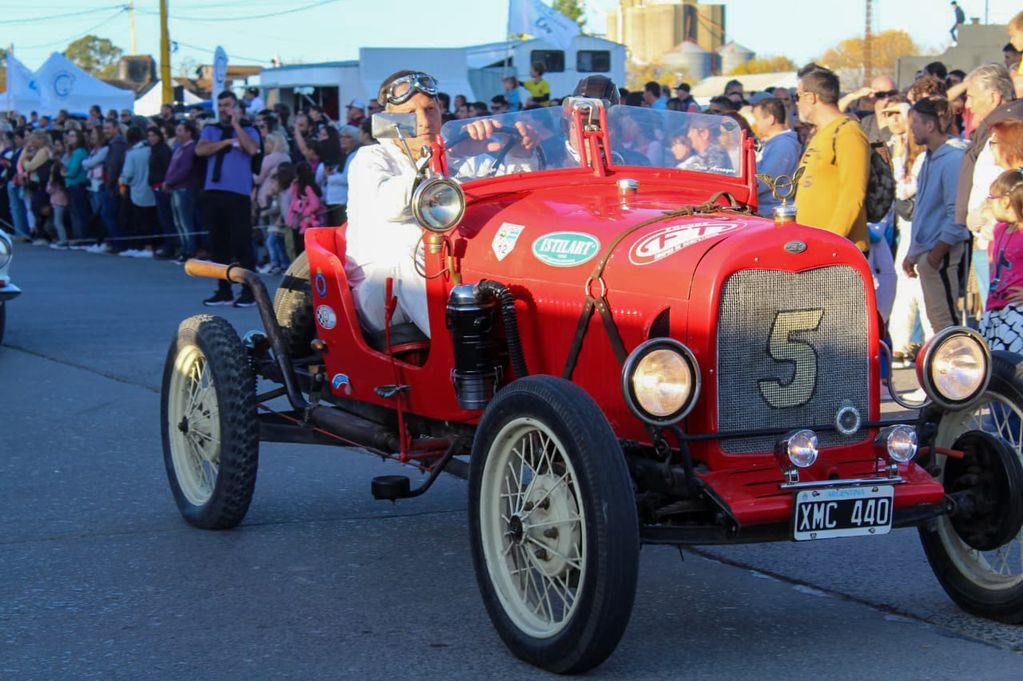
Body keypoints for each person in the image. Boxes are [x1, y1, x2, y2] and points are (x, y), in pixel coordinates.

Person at [956, 64, 1023, 309]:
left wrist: (985, 214)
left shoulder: (1009, 126)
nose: (968, 105)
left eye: (972, 96)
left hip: (1009, 253)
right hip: (992, 242)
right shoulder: (991, 132)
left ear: (994, 97)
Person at [902, 96, 968, 332]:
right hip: (928, 254)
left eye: (916, 122)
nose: (912, 129)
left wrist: (935, 255)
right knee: (938, 323)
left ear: (930, 125)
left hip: (941, 255)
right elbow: (923, 210)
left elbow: (956, 214)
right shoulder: (929, 159)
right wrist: (913, 252)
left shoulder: (952, 159)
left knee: (948, 323)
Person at [793, 63, 871, 252]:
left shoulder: (848, 132)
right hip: (812, 246)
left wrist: (831, 242)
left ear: (811, 97)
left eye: (797, 96)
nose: (796, 103)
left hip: (838, 250)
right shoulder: (819, 133)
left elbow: (853, 194)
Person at [196, 90, 262, 307]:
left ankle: (249, 291)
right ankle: (223, 290)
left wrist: (236, 125)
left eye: (228, 105)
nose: (224, 109)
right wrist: (225, 143)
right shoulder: (211, 129)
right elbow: (201, 151)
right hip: (214, 191)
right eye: (222, 105)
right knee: (218, 243)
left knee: (242, 243)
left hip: (238, 193)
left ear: (237, 107)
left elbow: (252, 148)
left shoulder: (249, 129)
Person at [883, 97, 933, 364]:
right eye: (888, 114)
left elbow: (904, 189)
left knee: (920, 288)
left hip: (920, 226)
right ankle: (903, 345)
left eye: (899, 115)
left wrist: (900, 159)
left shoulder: (925, 155)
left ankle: (928, 346)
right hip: (900, 226)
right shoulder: (894, 147)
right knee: (903, 286)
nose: (894, 120)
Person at [979, 169, 1023, 353]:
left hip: (1017, 313)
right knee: (991, 366)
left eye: (991, 198)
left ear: (1005, 201)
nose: (988, 203)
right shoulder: (999, 230)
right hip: (994, 309)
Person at [751, 97, 801, 217]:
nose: (755, 124)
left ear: (770, 119)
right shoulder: (772, 143)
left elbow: (766, 180)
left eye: (757, 119)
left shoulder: (783, 145)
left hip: (772, 211)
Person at [163, 121, 202, 263]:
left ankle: (190, 250)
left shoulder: (191, 148)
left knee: (185, 221)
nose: (177, 133)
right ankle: (184, 248)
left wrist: (170, 181)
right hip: (175, 188)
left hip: (184, 188)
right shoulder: (179, 148)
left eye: (180, 130)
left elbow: (184, 170)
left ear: (188, 132)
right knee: (178, 221)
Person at [119, 125, 157, 258]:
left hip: (136, 190)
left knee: (139, 220)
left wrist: (122, 180)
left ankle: (143, 247)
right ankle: (151, 246)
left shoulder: (132, 154)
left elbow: (128, 173)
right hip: (151, 189)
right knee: (151, 220)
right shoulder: (150, 150)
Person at [146, 125, 173, 258]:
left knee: (166, 218)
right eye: (149, 136)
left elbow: (168, 168)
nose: (151, 138)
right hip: (156, 187)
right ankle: (168, 245)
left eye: (153, 135)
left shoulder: (163, 150)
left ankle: (171, 246)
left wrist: (165, 183)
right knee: (162, 218)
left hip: (162, 187)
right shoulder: (154, 150)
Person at [63, 128, 90, 247]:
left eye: (73, 136)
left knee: (80, 213)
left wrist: (65, 173)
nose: (70, 138)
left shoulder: (79, 152)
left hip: (77, 185)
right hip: (71, 185)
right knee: (75, 213)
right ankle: (78, 237)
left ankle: (83, 238)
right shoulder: (73, 152)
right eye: (69, 136)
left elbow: (73, 170)